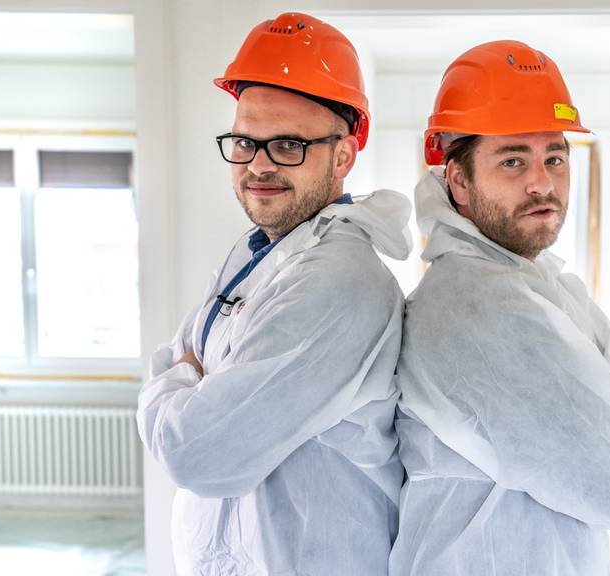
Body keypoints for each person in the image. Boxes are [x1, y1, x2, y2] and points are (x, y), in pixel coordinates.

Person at [137, 12, 411, 576]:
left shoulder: (336, 280)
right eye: (245, 142)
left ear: (343, 155)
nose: (258, 166)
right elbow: (184, 361)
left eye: (288, 144)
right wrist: (187, 383)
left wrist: (178, 381)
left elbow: (200, 451)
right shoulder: (259, 251)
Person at [389, 40, 610, 575]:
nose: (542, 183)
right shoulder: (478, 302)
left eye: (554, 158)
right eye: (513, 160)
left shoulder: (536, 282)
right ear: (459, 179)